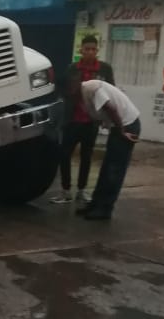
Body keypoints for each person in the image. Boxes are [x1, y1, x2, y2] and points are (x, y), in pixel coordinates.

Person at [51, 35, 114, 205]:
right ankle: (65, 190)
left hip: (91, 121)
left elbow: (110, 91)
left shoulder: (104, 69)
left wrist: (106, 119)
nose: (90, 53)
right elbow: (61, 89)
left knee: (87, 156)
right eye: (87, 49)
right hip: (72, 120)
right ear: (81, 50)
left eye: (93, 49)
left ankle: (82, 190)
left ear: (97, 50)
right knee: (64, 155)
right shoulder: (72, 68)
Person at [67, 75, 140, 220]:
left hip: (127, 125)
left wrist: (122, 131)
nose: (68, 97)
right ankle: (96, 204)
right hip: (119, 126)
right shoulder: (83, 94)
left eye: (69, 92)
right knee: (106, 168)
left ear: (74, 86)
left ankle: (105, 209)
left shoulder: (91, 89)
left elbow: (110, 108)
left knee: (114, 170)